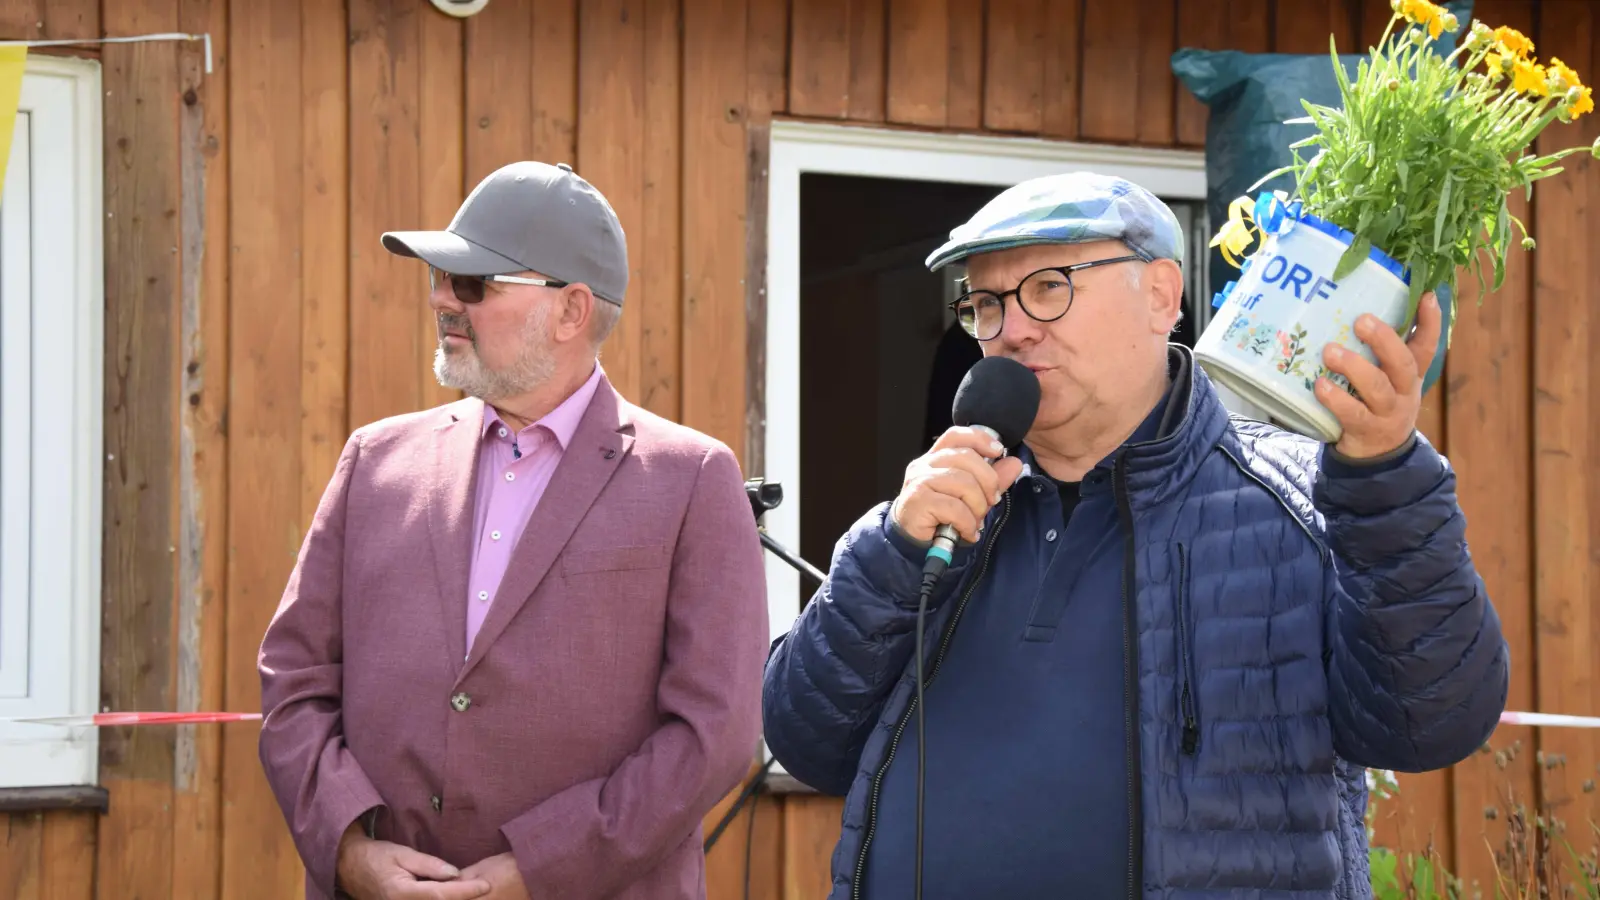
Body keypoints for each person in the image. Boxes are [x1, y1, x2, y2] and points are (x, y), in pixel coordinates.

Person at [760, 172, 1508, 899]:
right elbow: (806, 740)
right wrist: (888, 558)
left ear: (1161, 296)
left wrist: (1384, 480)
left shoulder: (1298, 498)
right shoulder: (936, 515)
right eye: (985, 303)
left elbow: (1428, 723)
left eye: (1049, 288)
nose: (1011, 329)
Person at [258, 160, 770, 900]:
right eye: (438, 278)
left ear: (570, 311)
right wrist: (347, 848)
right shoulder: (375, 460)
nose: (441, 299)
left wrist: (543, 866)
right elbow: (294, 680)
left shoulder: (691, 480)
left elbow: (713, 737)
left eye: (473, 284)